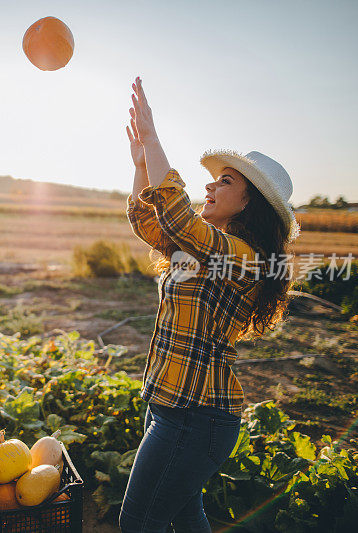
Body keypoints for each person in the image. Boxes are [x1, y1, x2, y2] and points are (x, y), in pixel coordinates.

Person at [119, 76, 300, 532]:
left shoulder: (245, 258)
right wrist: (141, 161)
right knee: (185, 516)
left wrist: (156, 138)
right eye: (213, 180)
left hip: (197, 418)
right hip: (171, 406)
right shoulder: (203, 250)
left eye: (225, 181)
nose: (210, 187)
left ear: (247, 204)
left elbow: (176, 217)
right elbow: (150, 220)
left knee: (138, 524)